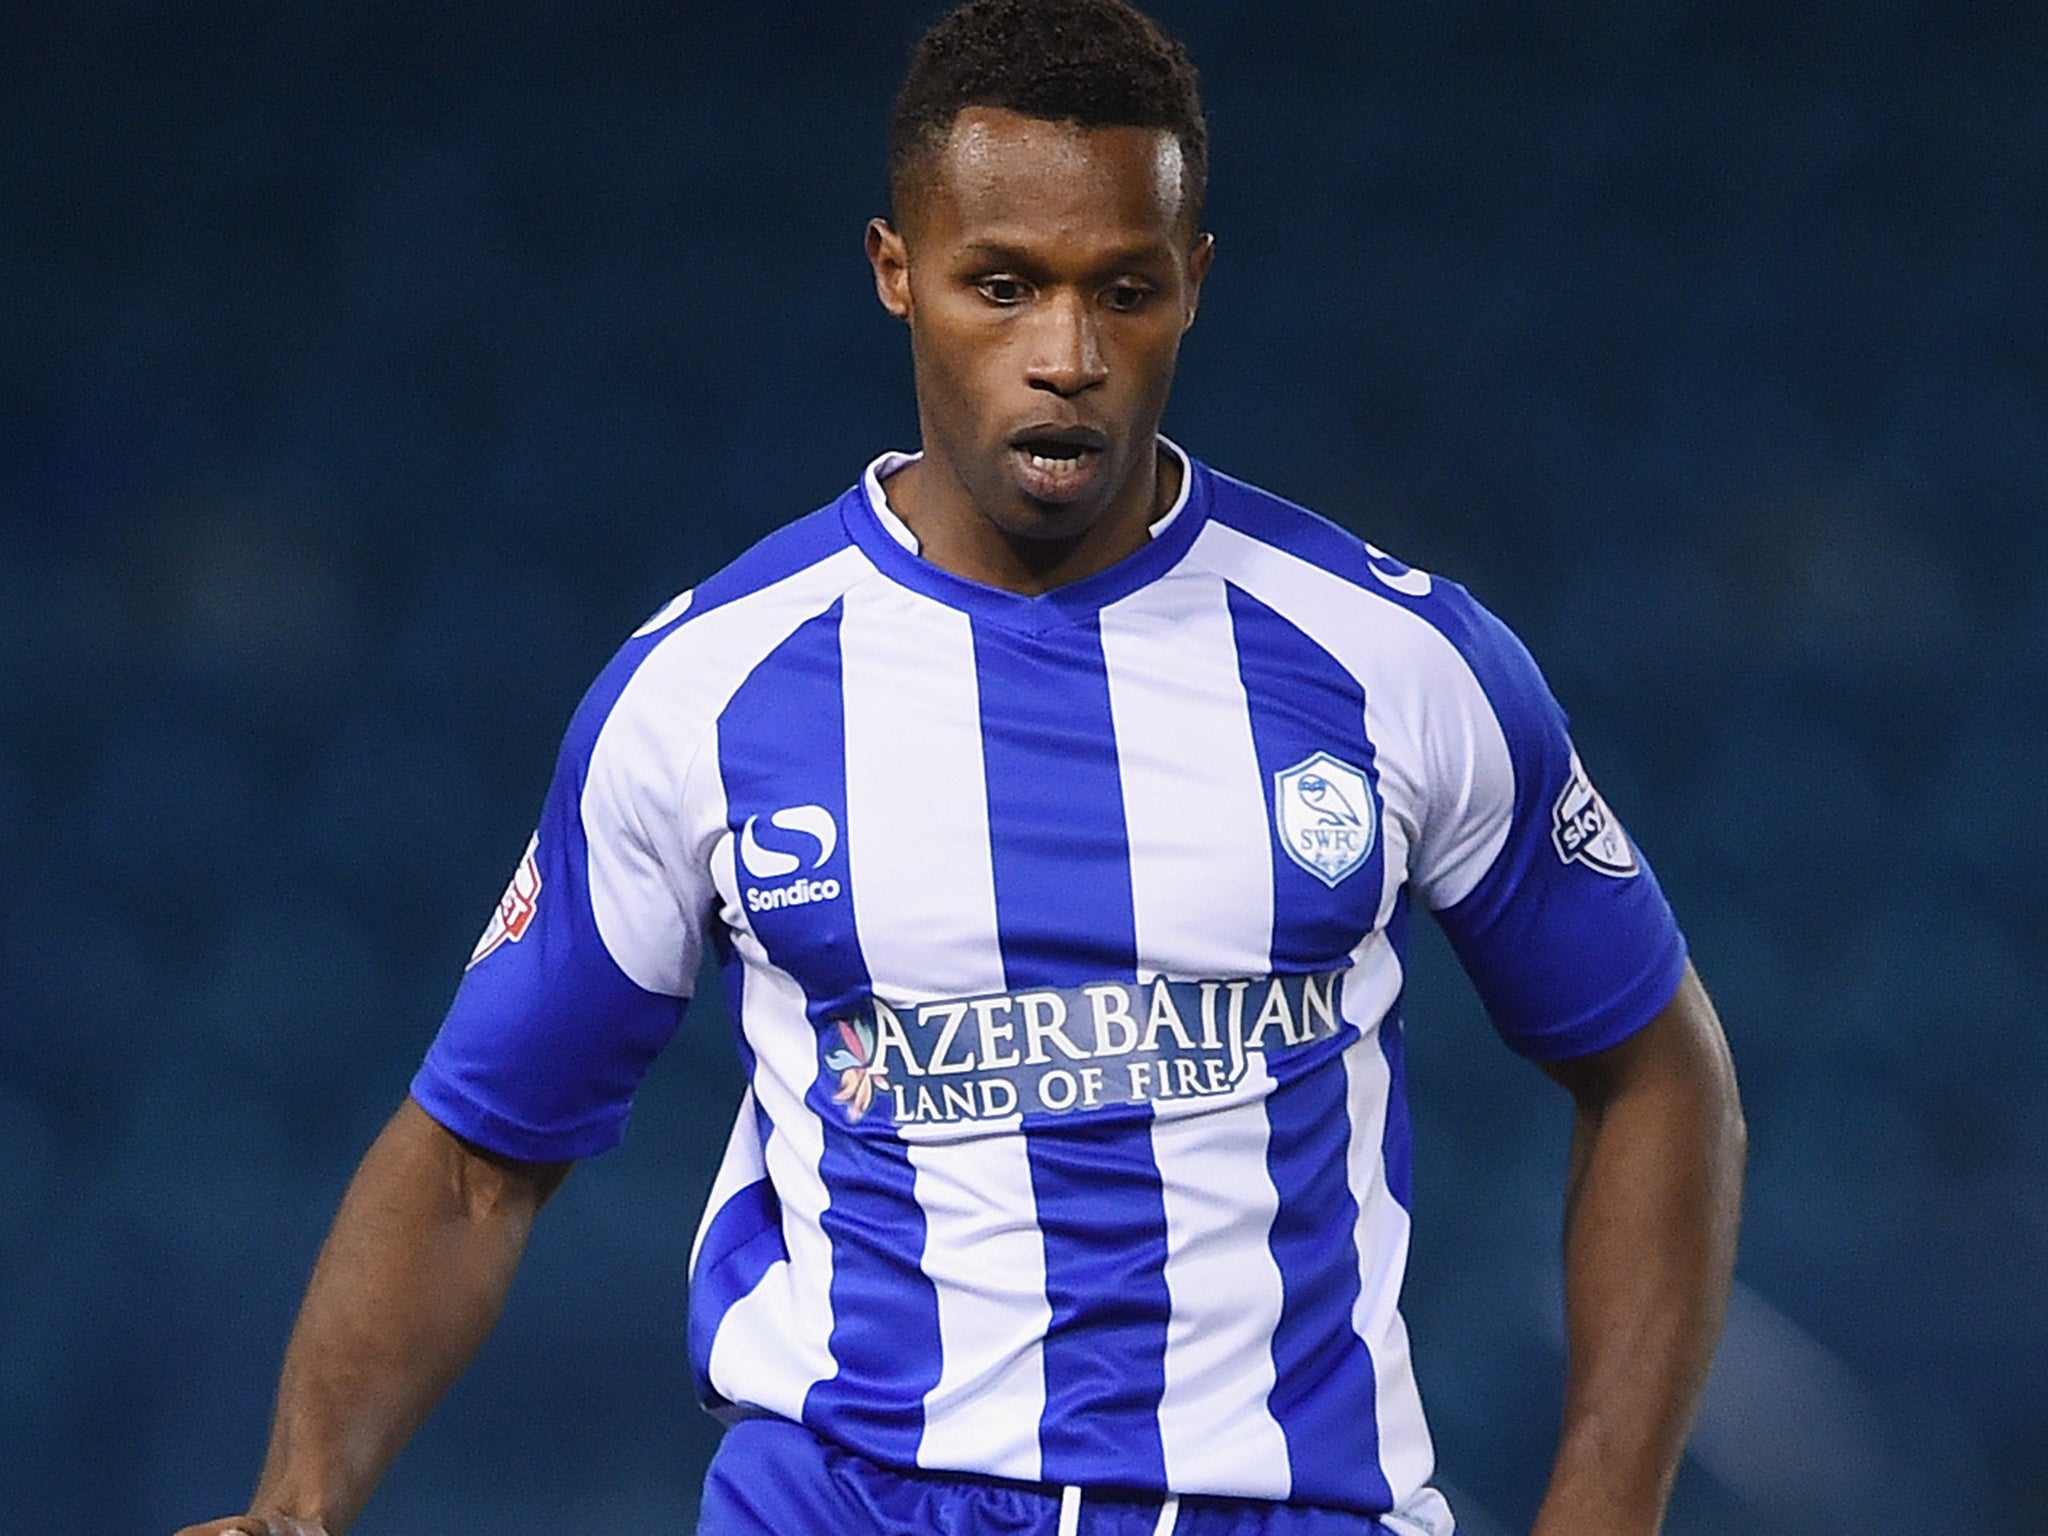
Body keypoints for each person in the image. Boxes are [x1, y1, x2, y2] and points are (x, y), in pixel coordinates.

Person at [177, 1, 1745, 1533]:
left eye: (1120, 290)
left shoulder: (1399, 662)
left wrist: (1605, 1506)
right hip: (847, 1501)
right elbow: (472, 1161)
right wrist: (292, 1511)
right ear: (896, 274)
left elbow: (1656, 1066)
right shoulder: (705, 693)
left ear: (1192, 287)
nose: (1064, 354)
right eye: (1002, 285)